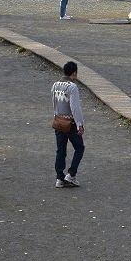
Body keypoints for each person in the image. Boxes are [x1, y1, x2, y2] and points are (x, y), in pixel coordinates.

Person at [52, 60, 85, 188]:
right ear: (74, 73)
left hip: (58, 121)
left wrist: (56, 116)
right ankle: (71, 175)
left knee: (60, 150)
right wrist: (79, 124)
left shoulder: (55, 85)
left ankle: (59, 178)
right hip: (70, 123)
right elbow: (75, 108)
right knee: (79, 148)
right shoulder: (72, 87)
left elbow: (54, 103)